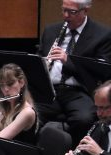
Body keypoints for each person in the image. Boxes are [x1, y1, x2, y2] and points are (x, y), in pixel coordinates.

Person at [38, 0, 111, 146]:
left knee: (84, 118)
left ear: (85, 10)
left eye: (72, 12)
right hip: (49, 90)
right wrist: (41, 63)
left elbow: (101, 72)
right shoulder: (51, 30)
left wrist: (68, 61)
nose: (66, 15)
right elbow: (38, 57)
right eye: (63, 10)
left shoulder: (102, 35)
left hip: (79, 91)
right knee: (25, 113)